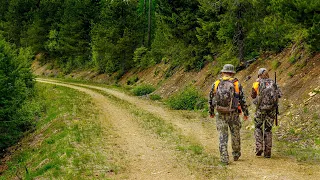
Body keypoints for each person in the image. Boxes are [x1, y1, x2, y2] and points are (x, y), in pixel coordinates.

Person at [209, 64, 249, 165]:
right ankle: (236, 154)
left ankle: (224, 158)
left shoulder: (216, 83)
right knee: (235, 133)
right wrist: (245, 113)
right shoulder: (236, 84)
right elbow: (242, 100)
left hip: (220, 113)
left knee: (223, 135)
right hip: (233, 113)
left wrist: (211, 112)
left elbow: (211, 99)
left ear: (223, 72)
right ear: (232, 73)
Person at [251, 68, 282, 158]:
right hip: (272, 110)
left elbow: (253, 96)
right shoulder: (274, 83)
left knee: (258, 127)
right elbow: (279, 94)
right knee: (268, 129)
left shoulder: (257, 83)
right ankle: (268, 152)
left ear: (259, 75)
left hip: (261, 109)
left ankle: (259, 147)